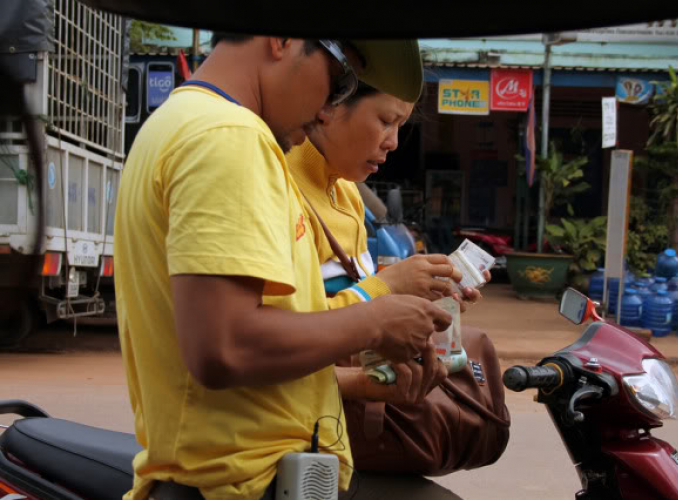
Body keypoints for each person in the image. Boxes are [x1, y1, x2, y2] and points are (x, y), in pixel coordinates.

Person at [114, 34, 452, 500]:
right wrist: (375, 319)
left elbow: (246, 349)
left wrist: (363, 379)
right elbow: (225, 347)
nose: (324, 111)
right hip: (239, 485)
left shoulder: (184, 122)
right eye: (337, 82)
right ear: (283, 38)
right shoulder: (228, 137)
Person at [286, 82, 491, 499]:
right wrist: (387, 286)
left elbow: (360, 318)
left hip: (338, 438)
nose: (393, 142)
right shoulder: (280, 188)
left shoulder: (345, 191)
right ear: (328, 107)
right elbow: (279, 338)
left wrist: (425, 301)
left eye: (400, 125)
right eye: (385, 120)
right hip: (294, 443)